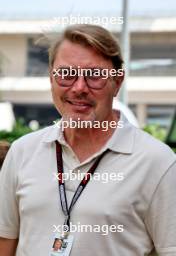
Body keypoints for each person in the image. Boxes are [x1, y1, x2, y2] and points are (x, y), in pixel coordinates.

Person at [0, 24, 176, 256]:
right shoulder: (22, 152)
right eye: (66, 74)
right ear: (51, 77)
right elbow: (5, 244)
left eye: (95, 76)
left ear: (118, 82)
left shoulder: (159, 162)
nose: (79, 87)